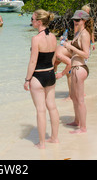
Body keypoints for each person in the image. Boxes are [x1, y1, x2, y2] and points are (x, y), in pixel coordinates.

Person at [24, 9, 59, 149]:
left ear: (39, 22)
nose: (31, 21)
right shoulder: (53, 37)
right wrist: (53, 71)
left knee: (40, 110)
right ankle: (55, 138)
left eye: (32, 19)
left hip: (38, 76)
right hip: (50, 74)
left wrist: (27, 80)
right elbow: (54, 58)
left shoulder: (36, 39)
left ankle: (42, 143)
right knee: (52, 107)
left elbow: (33, 62)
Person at [63, 9, 92, 134]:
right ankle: (77, 121)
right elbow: (74, 52)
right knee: (74, 97)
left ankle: (83, 128)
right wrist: (67, 47)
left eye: (78, 20)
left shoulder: (85, 34)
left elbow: (86, 55)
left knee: (80, 100)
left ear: (84, 21)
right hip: (75, 67)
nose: (75, 22)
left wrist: (70, 46)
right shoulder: (77, 33)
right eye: (74, 20)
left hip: (80, 68)